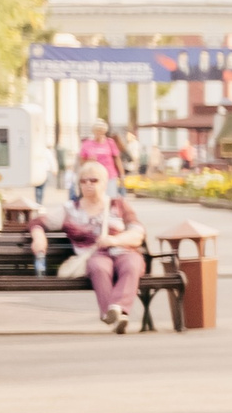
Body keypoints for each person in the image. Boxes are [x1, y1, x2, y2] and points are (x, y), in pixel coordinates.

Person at [28, 159, 147, 334]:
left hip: (124, 250)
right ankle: (116, 315)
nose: (88, 184)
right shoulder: (70, 209)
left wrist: (115, 240)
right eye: (83, 181)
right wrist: (39, 238)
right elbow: (37, 222)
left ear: (105, 183)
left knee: (132, 264)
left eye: (94, 180)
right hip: (94, 255)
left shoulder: (118, 204)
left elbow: (137, 232)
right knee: (99, 267)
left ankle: (116, 310)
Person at [76, 119, 127, 196]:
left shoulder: (110, 142)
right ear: (94, 132)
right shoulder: (87, 144)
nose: (99, 134)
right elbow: (81, 162)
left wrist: (122, 175)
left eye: (101, 132)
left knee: (110, 197)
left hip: (110, 175)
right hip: (94, 177)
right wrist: (89, 160)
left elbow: (117, 159)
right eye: (97, 132)